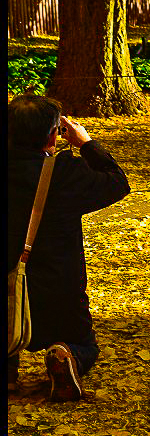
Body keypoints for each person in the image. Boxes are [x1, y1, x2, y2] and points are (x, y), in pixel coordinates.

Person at [8, 96, 130, 400]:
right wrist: (86, 143)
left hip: (7, 281)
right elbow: (117, 183)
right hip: (59, 283)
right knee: (83, 342)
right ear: (53, 135)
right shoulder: (64, 174)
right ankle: (66, 355)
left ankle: (8, 376)